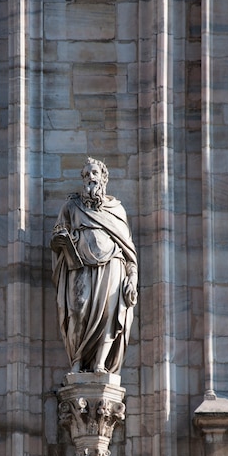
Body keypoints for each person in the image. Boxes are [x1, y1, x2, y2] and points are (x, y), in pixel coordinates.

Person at [51, 157, 138, 375]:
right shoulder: (71, 206)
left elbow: (129, 252)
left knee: (110, 312)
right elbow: (57, 237)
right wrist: (61, 240)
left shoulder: (117, 210)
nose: (91, 177)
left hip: (112, 265)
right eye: (87, 174)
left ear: (103, 178)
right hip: (79, 265)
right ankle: (77, 362)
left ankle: (100, 363)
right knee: (78, 310)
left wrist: (132, 278)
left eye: (95, 173)